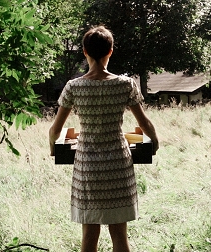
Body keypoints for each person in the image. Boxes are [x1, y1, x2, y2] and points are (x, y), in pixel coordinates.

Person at [49, 25, 159, 252]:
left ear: (84, 52)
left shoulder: (73, 87)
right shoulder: (125, 84)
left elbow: (55, 130)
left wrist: (53, 147)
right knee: (119, 234)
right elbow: (145, 123)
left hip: (87, 167)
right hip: (118, 164)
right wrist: (154, 142)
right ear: (110, 51)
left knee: (89, 234)